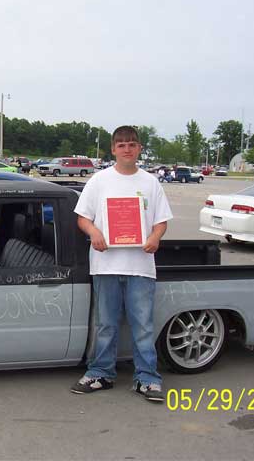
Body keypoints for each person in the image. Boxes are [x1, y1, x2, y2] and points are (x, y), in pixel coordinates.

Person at [70, 125, 173, 402]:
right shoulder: (99, 181)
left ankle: (147, 379)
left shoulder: (151, 183)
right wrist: (94, 233)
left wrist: (155, 238)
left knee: (143, 327)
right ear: (113, 149)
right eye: (121, 145)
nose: (127, 149)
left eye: (132, 144)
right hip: (105, 265)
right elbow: (83, 218)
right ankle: (101, 373)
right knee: (106, 324)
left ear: (139, 148)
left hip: (140, 266)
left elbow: (161, 221)